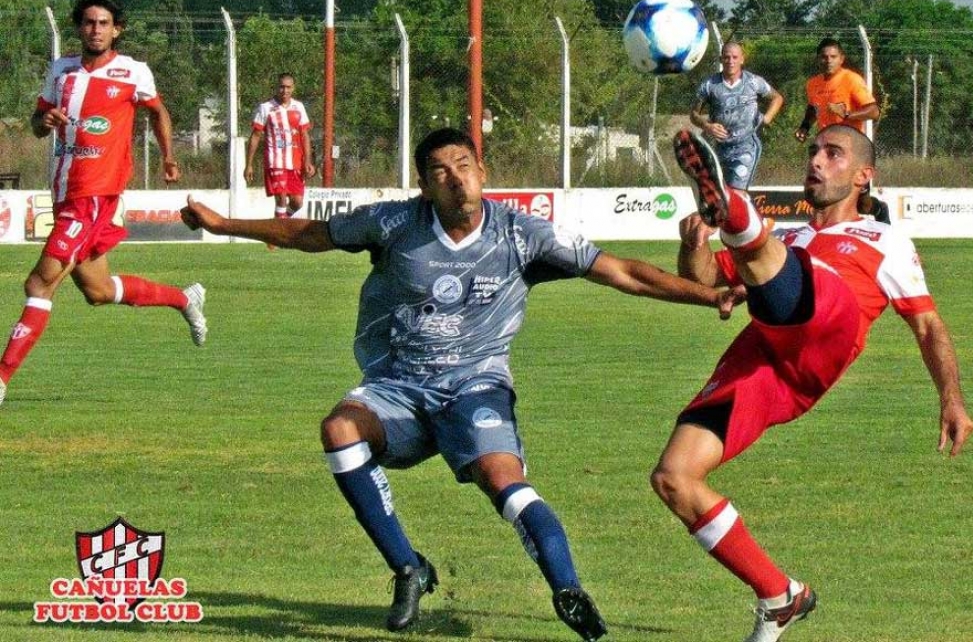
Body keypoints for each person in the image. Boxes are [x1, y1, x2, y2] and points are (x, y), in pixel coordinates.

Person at [181, 127, 741, 641]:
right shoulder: (394, 224)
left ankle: (567, 590)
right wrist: (223, 224)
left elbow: (620, 271)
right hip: (397, 387)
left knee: (504, 480)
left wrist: (707, 294)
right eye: (441, 170)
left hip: (475, 385)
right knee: (339, 429)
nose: (456, 177)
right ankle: (408, 567)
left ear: (483, 171)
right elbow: (311, 233)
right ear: (424, 185)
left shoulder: (522, 234)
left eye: (464, 164)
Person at [660, 126, 973, 642]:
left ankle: (733, 206)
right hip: (764, 357)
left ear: (862, 175)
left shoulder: (885, 239)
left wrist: (952, 398)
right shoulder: (786, 236)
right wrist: (694, 242)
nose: (817, 161)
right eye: (813, 151)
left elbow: (927, 325)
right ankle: (779, 595)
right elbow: (702, 279)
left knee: (803, 274)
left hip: (826, 331)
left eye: (833, 153)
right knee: (674, 477)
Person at [0, 0, 207, 408]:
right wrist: (45, 120)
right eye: (89, 22)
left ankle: (2, 379)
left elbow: (158, 112)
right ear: (79, 27)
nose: (96, 29)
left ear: (117, 30)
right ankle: (185, 298)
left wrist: (168, 155)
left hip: (95, 195)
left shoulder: (133, 72)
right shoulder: (61, 71)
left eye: (104, 23)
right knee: (96, 290)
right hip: (64, 193)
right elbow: (38, 126)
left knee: (39, 282)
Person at [793, 38, 888, 223]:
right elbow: (813, 108)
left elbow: (874, 111)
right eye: (824, 57)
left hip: (849, 150)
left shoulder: (851, 79)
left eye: (833, 56)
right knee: (821, 192)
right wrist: (804, 127)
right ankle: (822, 236)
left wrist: (847, 114)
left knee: (862, 204)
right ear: (818, 59)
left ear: (841, 59)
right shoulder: (813, 84)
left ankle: (879, 210)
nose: (828, 60)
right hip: (826, 150)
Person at [689, 41, 783, 190]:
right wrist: (707, 126)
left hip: (746, 146)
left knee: (737, 192)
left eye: (734, 57)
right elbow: (694, 115)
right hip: (719, 148)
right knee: (721, 194)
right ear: (721, 60)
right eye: (726, 57)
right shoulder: (709, 85)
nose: (730, 61)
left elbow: (777, 98)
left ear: (742, 59)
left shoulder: (753, 82)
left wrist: (767, 117)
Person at [244, 72, 315, 246]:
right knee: (281, 198)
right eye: (282, 86)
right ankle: (276, 239)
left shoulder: (299, 107)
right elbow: (255, 136)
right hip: (275, 161)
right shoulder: (266, 108)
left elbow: (305, 135)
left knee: (297, 203)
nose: (285, 90)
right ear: (277, 87)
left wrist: (308, 161)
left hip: (296, 162)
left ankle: (278, 226)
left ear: (293, 88)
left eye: (288, 87)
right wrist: (249, 164)